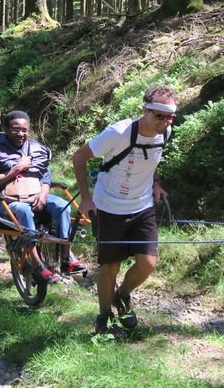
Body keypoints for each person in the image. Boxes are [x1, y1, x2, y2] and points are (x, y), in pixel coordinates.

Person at [73, 84, 177, 335]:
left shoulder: (165, 133)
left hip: (142, 206)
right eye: (159, 115)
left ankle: (122, 295)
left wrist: (155, 183)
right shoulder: (118, 132)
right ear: (145, 110)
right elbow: (79, 157)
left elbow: (152, 161)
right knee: (110, 266)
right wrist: (86, 199)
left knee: (148, 263)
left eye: (170, 116)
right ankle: (104, 318)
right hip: (108, 207)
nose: (165, 121)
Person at [0, 110, 86, 283]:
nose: (21, 133)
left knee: (62, 206)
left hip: (36, 194)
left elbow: (45, 176)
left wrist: (44, 194)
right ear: (6, 129)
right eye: (16, 129)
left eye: (24, 130)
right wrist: (16, 169)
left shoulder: (37, 149)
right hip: (8, 200)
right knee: (23, 210)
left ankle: (66, 257)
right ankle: (37, 264)